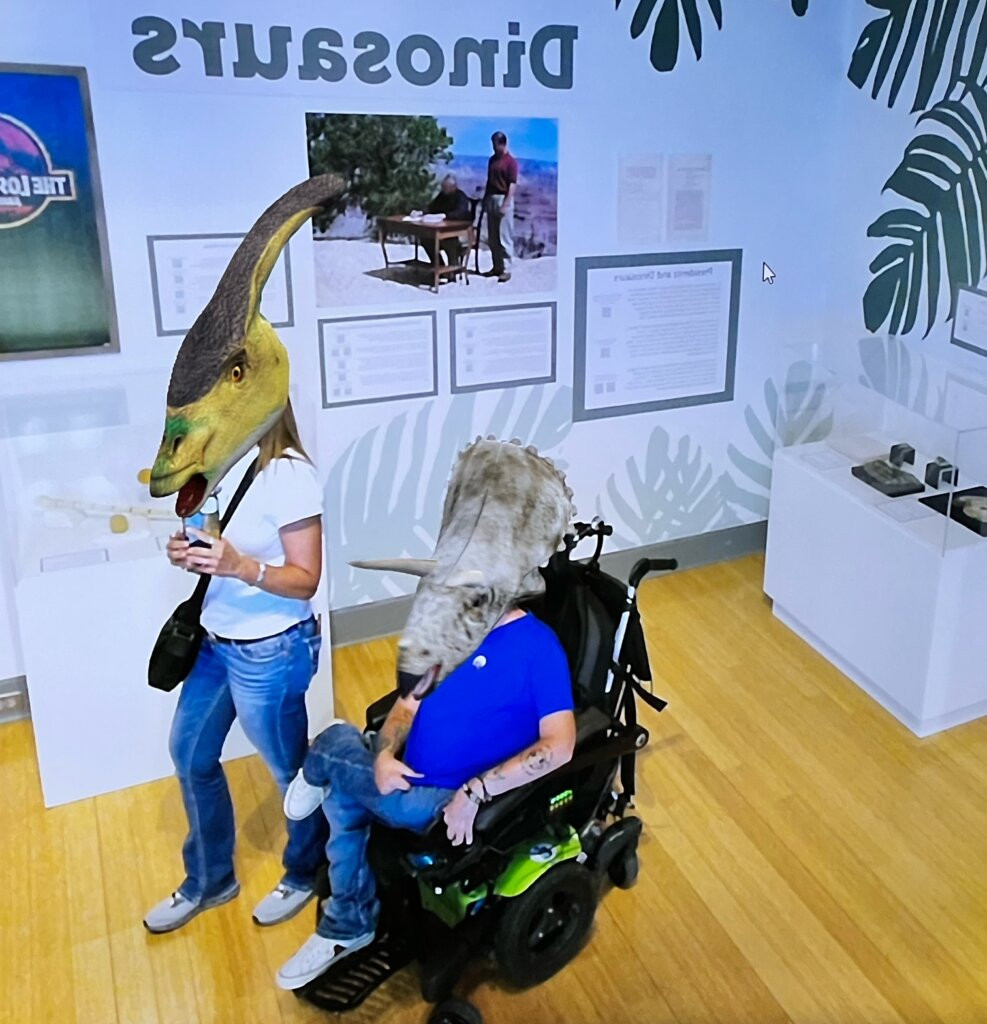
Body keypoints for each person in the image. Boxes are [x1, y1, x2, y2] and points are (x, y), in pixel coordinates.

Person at [274, 604, 577, 989]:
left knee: (335, 758)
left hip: (447, 800)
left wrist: (476, 791)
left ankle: (325, 757)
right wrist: (384, 754)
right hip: (401, 771)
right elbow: (405, 706)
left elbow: (560, 745)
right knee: (345, 796)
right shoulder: (450, 626)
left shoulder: (539, 646)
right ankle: (348, 923)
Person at [143, 399, 330, 934]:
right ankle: (208, 880)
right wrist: (190, 553)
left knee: (289, 772)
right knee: (190, 752)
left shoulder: (289, 474)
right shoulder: (220, 465)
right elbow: (214, 545)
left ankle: (305, 872)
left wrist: (241, 566)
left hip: (271, 650)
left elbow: (305, 580)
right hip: (216, 640)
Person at [483, 131, 519, 283]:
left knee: (504, 236)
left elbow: (512, 184)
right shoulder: (492, 160)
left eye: (495, 144)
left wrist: (506, 203)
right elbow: (489, 180)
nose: (493, 147)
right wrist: (485, 199)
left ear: (502, 143)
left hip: (503, 197)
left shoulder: (511, 162)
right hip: (492, 197)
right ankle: (496, 266)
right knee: (493, 236)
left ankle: (506, 268)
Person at [422, 173, 472, 268]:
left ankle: (453, 268)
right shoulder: (442, 196)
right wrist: (423, 212)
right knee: (426, 240)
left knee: (449, 241)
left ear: (453, 187)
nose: (444, 190)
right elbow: (432, 207)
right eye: (443, 187)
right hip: (442, 229)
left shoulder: (461, 197)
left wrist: (445, 216)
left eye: (446, 187)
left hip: (458, 231)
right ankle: (439, 266)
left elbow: (460, 213)